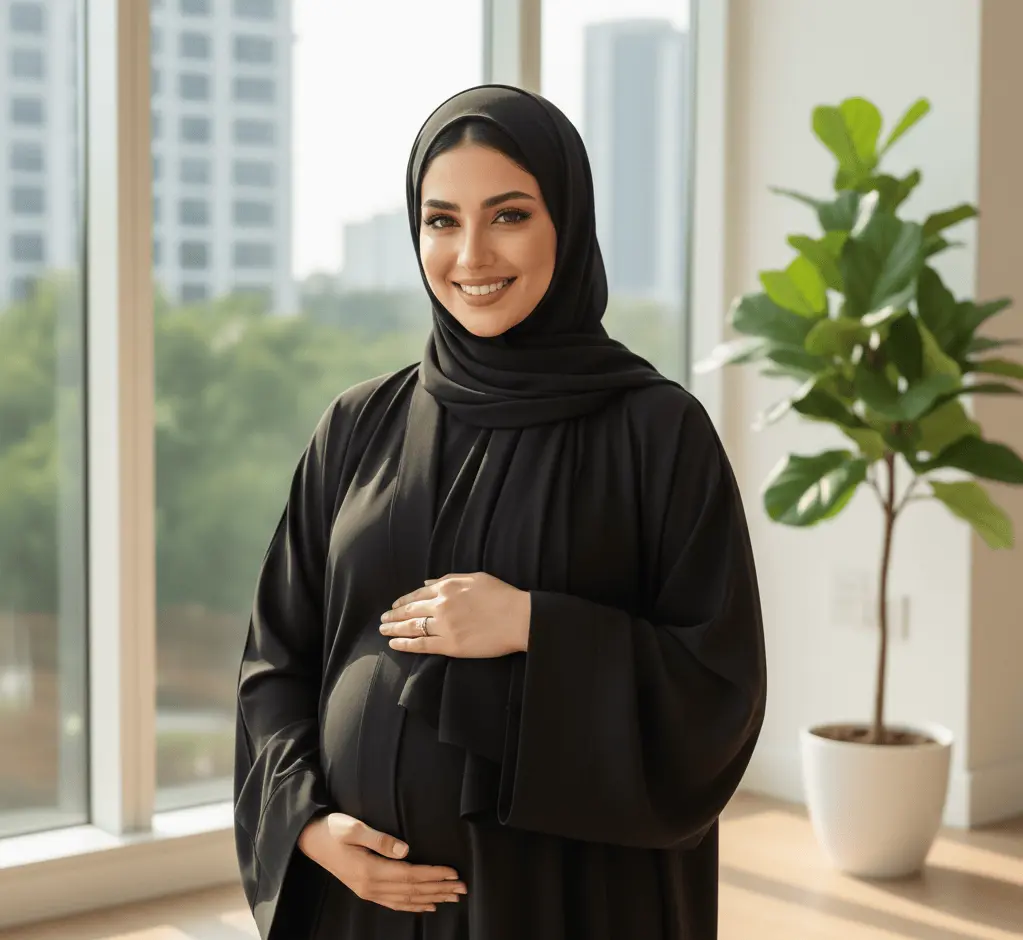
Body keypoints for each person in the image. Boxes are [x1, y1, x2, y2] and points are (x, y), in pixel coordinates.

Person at [233, 84, 767, 940]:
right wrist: (307, 824)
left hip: (565, 901)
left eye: (509, 215)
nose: (470, 254)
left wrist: (531, 624)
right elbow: (275, 657)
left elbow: (717, 688)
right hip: (359, 905)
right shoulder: (357, 423)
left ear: (567, 222)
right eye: (440, 220)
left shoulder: (658, 432)